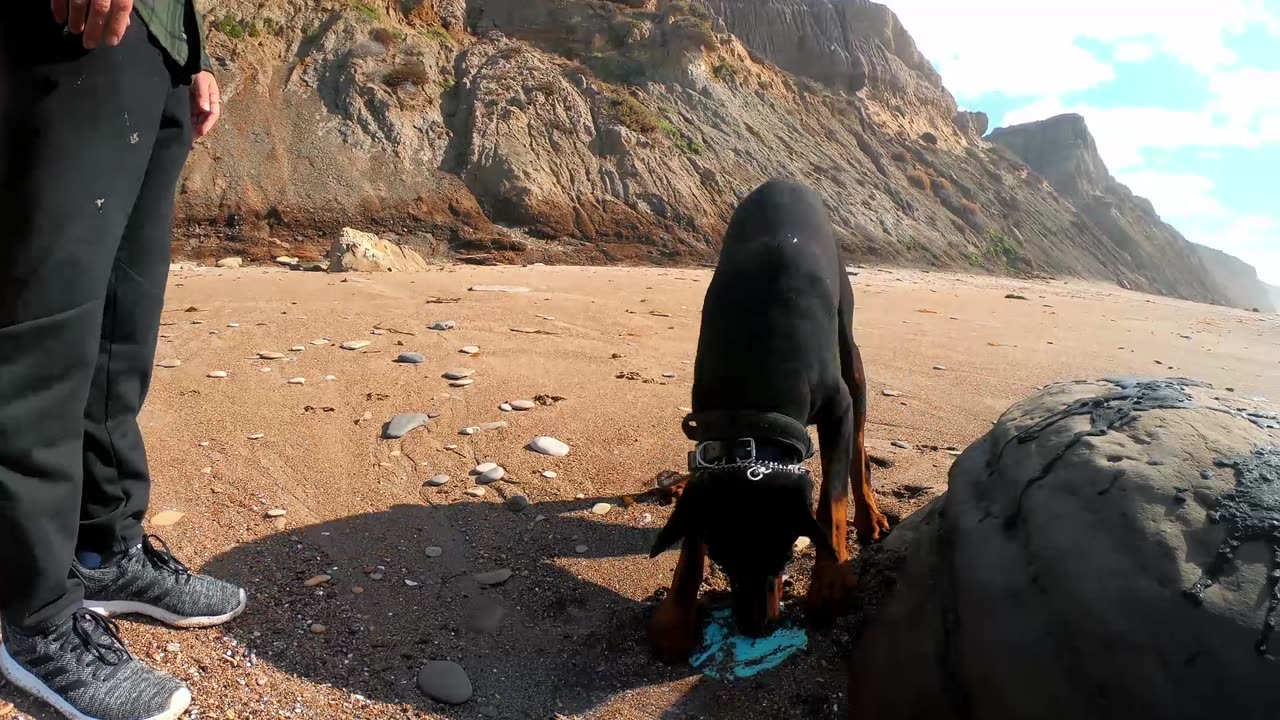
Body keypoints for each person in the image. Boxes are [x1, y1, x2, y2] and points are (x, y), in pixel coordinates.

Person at [0, 1, 246, 719]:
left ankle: (105, 547)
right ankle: (33, 612)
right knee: (42, 325)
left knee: (120, 322)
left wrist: (187, 50)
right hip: (60, 24)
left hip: (151, 40)